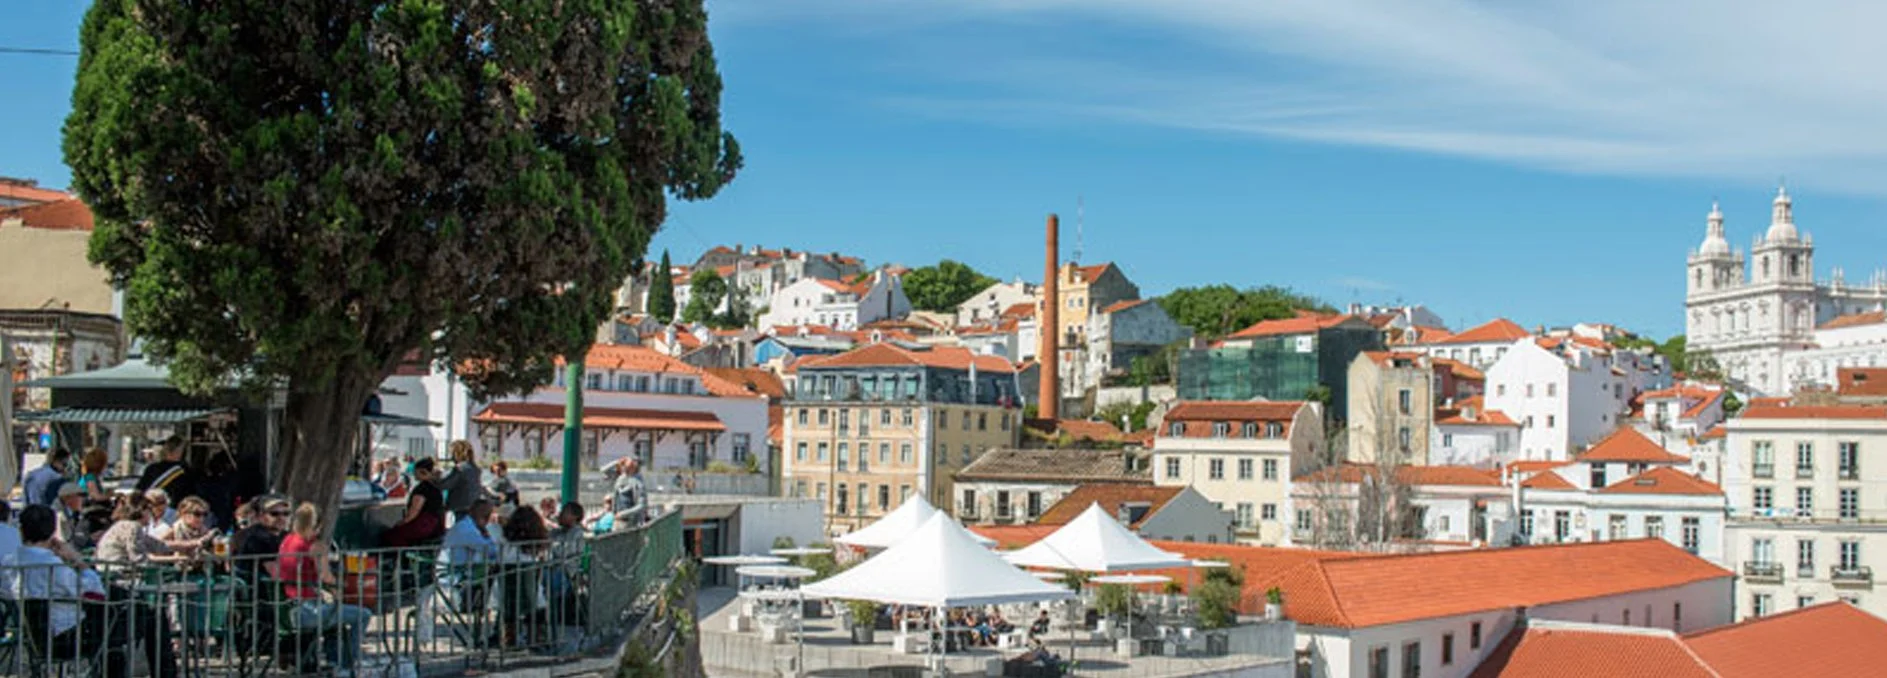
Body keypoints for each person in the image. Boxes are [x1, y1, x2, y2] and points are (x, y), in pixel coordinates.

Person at [1, 505, 181, 678]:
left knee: (115, 627)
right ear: (52, 532)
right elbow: (95, 594)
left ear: (22, 531)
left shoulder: (11, 564)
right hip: (70, 636)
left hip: (36, 636)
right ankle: (166, 674)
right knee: (151, 618)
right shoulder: (52, 567)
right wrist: (78, 561)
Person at [278, 502, 372, 671]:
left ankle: (334, 660)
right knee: (363, 614)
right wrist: (341, 585)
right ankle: (347, 665)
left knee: (337, 615)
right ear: (318, 525)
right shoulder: (316, 546)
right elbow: (326, 577)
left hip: (288, 608)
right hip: (309, 610)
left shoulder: (287, 540)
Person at [380, 457, 447, 547]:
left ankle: (403, 558)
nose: (414, 473)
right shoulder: (436, 486)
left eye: (416, 471)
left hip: (423, 526)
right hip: (436, 526)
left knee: (393, 535)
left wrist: (402, 522)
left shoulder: (422, 488)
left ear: (421, 471)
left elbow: (414, 511)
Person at [232, 496, 290, 585]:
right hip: (259, 592)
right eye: (274, 514)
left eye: (286, 513)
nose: (281, 518)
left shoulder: (287, 535)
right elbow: (275, 572)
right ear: (261, 516)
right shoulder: (255, 537)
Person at [135, 436, 196, 504]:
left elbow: (139, 491)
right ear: (181, 452)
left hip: (152, 509)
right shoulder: (187, 472)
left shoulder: (152, 469)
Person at [438, 440, 487, 516]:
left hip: (459, 507)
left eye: (452, 454)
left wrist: (434, 478)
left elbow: (445, 485)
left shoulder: (460, 468)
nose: (451, 457)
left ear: (457, 453)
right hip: (473, 506)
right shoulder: (475, 468)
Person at [609, 457, 647, 530]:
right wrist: (617, 462)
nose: (623, 468)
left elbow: (641, 505)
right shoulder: (619, 478)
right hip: (616, 521)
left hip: (630, 523)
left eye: (625, 466)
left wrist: (623, 514)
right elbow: (603, 470)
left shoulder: (638, 482)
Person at [54, 481, 94, 549]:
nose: (83, 500)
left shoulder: (71, 512)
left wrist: (90, 538)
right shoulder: (58, 515)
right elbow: (65, 541)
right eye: (80, 496)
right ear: (68, 498)